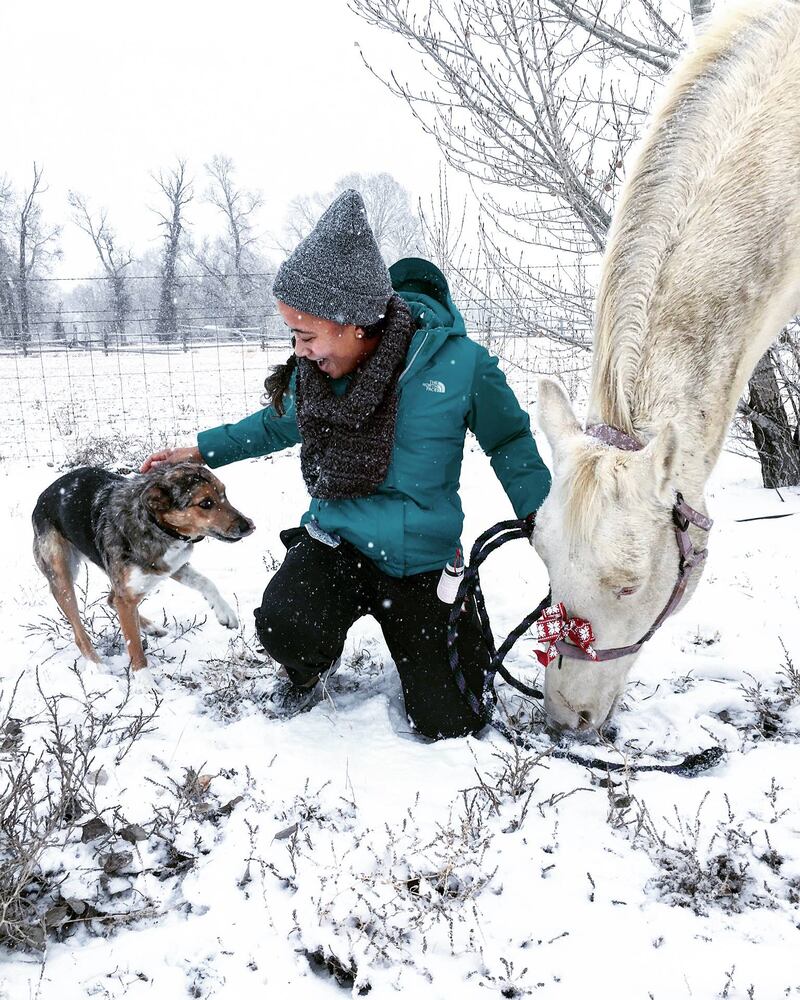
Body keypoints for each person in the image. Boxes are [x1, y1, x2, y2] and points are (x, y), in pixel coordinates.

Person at [142, 189, 551, 739]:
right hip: (339, 545)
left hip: (423, 563)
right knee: (286, 623)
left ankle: (444, 643)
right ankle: (314, 657)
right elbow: (274, 422)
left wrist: (544, 517)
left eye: (306, 334)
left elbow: (510, 441)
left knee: (451, 722)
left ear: (354, 322)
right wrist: (202, 449)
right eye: (292, 333)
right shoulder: (317, 376)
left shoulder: (461, 366)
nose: (299, 348)